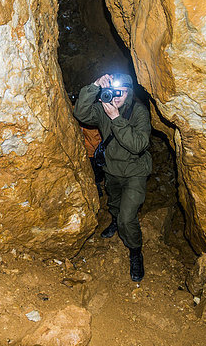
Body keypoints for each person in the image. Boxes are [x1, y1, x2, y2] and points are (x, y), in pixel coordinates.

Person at [73, 73, 152, 282]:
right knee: (115, 205)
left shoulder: (139, 113)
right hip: (112, 170)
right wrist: (93, 86)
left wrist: (116, 119)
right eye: (113, 92)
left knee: (128, 218)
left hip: (135, 171)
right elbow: (80, 113)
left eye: (122, 92)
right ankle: (116, 221)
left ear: (129, 93)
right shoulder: (103, 108)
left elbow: (137, 145)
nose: (116, 97)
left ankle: (135, 251)